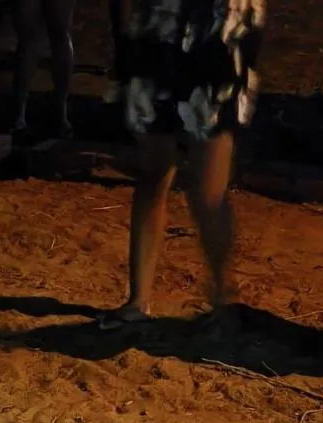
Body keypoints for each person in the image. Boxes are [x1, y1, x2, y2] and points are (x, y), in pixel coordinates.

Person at [101, 0, 266, 328]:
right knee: (153, 174)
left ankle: (223, 296)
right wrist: (125, 38)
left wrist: (245, 42)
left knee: (208, 191)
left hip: (215, 31)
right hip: (159, 29)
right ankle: (138, 300)